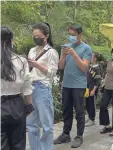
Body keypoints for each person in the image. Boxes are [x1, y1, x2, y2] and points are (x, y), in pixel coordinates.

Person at [54, 23, 92, 148]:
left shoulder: (86, 48)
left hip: (79, 85)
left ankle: (79, 136)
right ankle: (66, 134)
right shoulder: (65, 47)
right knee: (66, 110)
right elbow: (60, 66)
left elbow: (84, 68)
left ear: (80, 35)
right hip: (66, 84)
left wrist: (74, 54)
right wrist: (64, 56)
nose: (71, 37)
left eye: (73, 35)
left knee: (79, 111)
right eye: (69, 34)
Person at [26, 22, 59, 150]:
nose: (36, 38)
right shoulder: (32, 50)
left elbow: (52, 73)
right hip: (29, 88)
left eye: (38, 35)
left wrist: (37, 65)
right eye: (34, 35)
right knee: (31, 123)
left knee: (47, 124)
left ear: (46, 36)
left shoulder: (52, 52)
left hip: (42, 88)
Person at [1, 26, 34, 150]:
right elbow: (27, 87)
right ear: (11, 41)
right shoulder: (21, 60)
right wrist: (28, 106)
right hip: (17, 105)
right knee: (18, 143)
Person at [85, 52, 103, 127]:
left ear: (95, 58)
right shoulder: (90, 66)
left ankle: (92, 119)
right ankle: (89, 116)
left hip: (92, 88)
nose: (90, 57)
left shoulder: (97, 68)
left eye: (91, 56)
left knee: (92, 103)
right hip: (87, 88)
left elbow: (98, 80)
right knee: (87, 103)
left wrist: (93, 90)